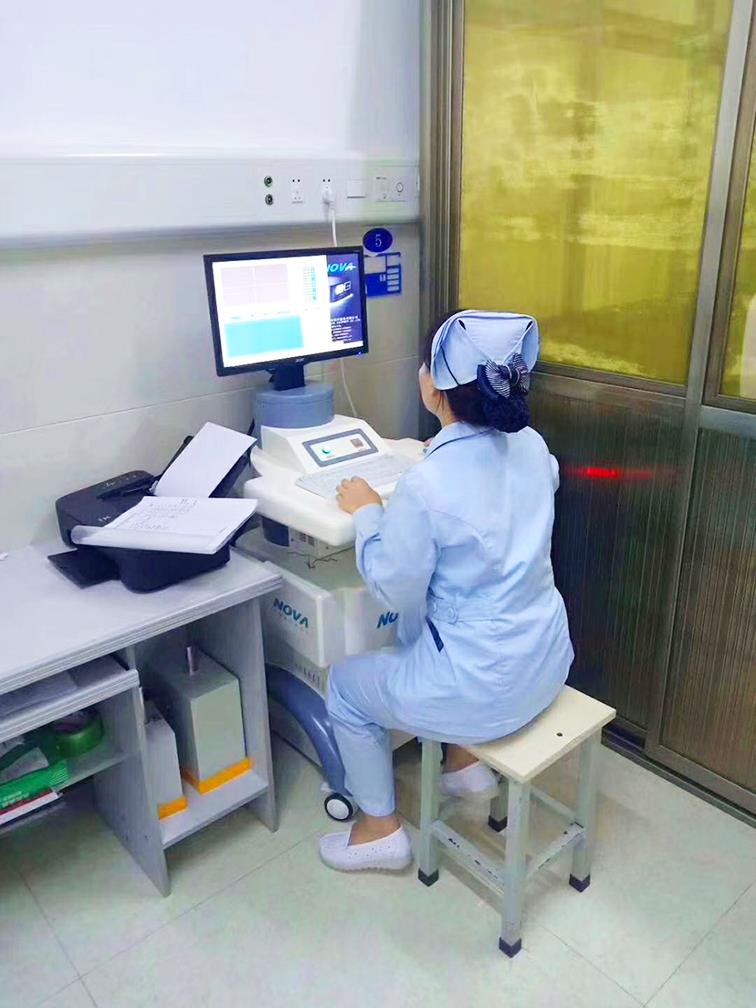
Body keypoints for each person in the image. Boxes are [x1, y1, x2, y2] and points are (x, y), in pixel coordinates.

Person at [319, 310, 574, 872]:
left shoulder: (428, 483)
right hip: (545, 663)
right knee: (440, 613)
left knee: (344, 686)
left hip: (482, 690)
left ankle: (379, 830)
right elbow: (517, 495)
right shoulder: (533, 446)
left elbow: (392, 588)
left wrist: (368, 513)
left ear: (433, 386)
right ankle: (462, 763)